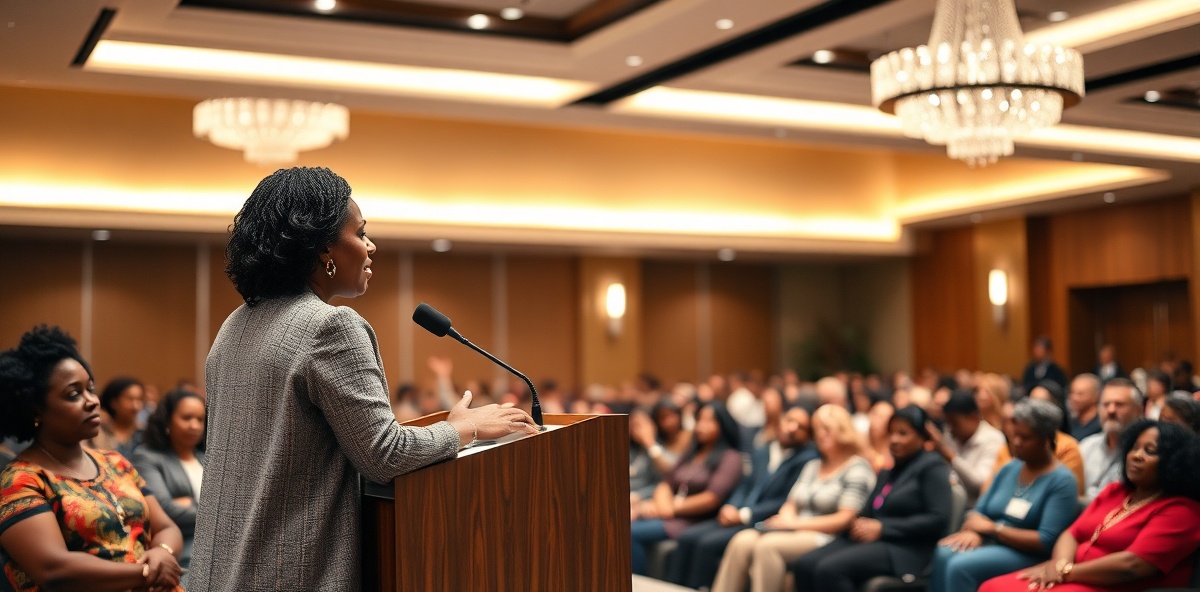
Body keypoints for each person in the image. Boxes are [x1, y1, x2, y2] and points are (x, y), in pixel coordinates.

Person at [191, 167, 537, 591]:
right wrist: (461, 428)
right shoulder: (330, 327)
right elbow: (383, 455)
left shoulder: (235, 326)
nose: (371, 247)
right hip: (289, 574)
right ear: (324, 250)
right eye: (361, 233)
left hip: (219, 573)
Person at [0, 325, 184, 591]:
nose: (92, 401)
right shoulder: (20, 480)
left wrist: (162, 552)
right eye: (74, 394)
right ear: (35, 409)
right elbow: (54, 569)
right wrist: (147, 572)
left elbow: (167, 527)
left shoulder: (115, 462)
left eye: (91, 388)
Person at [980, 420, 1200, 591]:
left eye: (1149, 451)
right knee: (991, 587)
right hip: (1072, 575)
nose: (1136, 456)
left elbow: (1132, 565)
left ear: (1175, 462)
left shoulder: (1181, 510)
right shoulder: (1116, 492)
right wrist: (1060, 565)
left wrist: (1067, 572)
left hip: (1116, 587)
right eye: (1134, 448)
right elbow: (1072, 533)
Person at [710, 404, 875, 592]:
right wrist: (786, 518)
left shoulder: (857, 467)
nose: (821, 435)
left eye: (827, 429)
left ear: (843, 431)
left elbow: (845, 518)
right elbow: (790, 503)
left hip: (827, 537)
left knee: (767, 547)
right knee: (742, 540)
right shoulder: (813, 466)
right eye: (818, 430)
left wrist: (793, 523)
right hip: (795, 528)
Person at [789, 406, 953, 592]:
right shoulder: (889, 472)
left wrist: (883, 528)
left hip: (906, 549)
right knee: (804, 565)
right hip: (875, 541)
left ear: (922, 436)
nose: (894, 440)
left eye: (903, 433)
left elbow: (938, 519)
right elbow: (869, 511)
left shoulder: (932, 467)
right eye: (891, 433)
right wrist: (859, 523)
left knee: (830, 570)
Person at [930, 399, 1080, 592]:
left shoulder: (1062, 481)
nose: (1016, 443)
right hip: (992, 541)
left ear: (1045, 440)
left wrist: (993, 529)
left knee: (959, 566)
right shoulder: (1009, 468)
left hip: (1028, 553)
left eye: (1025, 438)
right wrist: (974, 531)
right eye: (1014, 436)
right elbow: (979, 511)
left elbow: (1046, 540)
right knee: (943, 552)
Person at [668, 403, 818, 589]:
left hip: (762, 520)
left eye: (801, 427)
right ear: (781, 421)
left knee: (707, 544)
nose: (792, 428)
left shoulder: (807, 459)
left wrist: (744, 514)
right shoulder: (763, 450)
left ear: (809, 435)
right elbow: (744, 485)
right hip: (736, 514)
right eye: (790, 420)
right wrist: (731, 506)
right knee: (688, 537)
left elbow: (785, 500)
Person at [630, 401, 742, 576]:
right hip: (672, 515)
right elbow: (667, 482)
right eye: (699, 420)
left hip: (694, 521)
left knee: (630, 532)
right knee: (626, 523)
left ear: (723, 424)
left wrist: (671, 508)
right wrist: (661, 504)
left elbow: (712, 498)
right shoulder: (693, 452)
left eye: (709, 421)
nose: (702, 426)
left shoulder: (730, 457)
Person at [131, 388, 207, 582]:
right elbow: (165, 509)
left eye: (200, 419)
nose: (195, 425)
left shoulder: (206, 458)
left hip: (216, 545)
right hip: (183, 551)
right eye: (187, 417)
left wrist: (191, 504)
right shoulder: (148, 457)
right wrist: (217, 515)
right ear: (167, 421)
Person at [926, 392, 1006, 507]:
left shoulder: (994, 439)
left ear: (974, 417)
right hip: (946, 500)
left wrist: (949, 455)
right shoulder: (951, 434)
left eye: (954, 423)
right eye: (947, 423)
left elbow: (979, 484)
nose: (950, 429)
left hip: (972, 507)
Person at [1078, 378, 1144, 501]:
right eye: (1106, 404)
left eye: (1119, 404)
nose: (1111, 410)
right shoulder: (1086, 446)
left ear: (1138, 410)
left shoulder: (1145, 454)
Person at [89, 377, 145, 459]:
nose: (135, 406)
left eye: (139, 400)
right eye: (130, 399)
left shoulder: (143, 433)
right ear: (113, 402)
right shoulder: (98, 432)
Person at [1067, 374, 1103, 441]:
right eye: (1072, 392)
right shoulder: (1069, 424)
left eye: (1080, 394)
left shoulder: (1102, 426)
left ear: (1096, 396)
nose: (1074, 398)